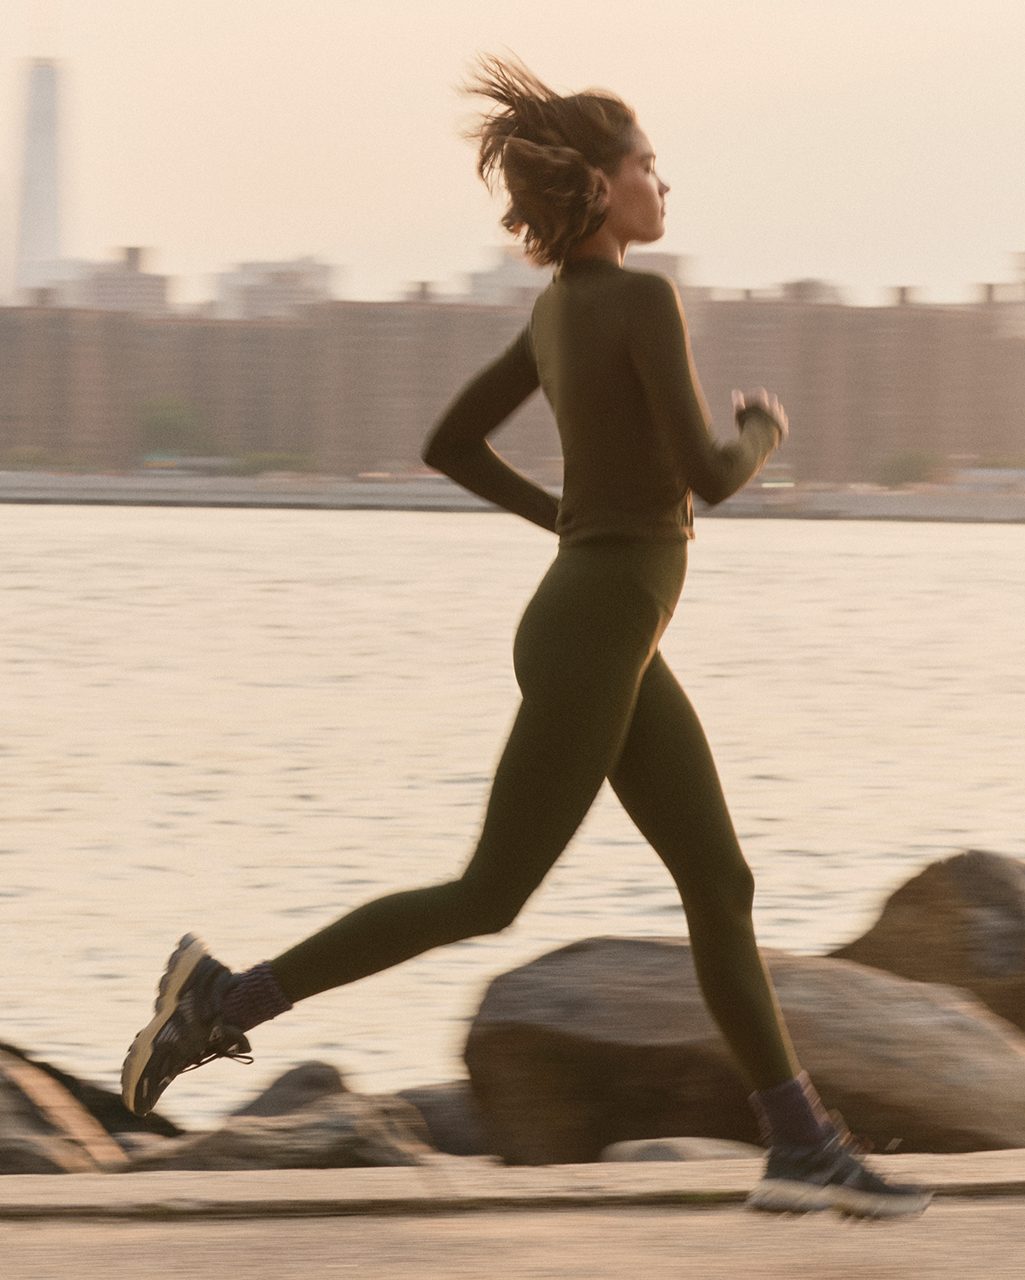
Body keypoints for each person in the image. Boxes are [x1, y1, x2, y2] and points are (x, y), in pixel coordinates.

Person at [121, 56, 927, 1219]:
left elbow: (448, 443)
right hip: (595, 625)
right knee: (488, 893)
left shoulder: (554, 312)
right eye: (646, 164)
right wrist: (760, 430)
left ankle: (799, 1144)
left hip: (597, 619)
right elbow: (708, 474)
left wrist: (574, 520)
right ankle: (222, 1002)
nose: (663, 182)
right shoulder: (641, 302)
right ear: (600, 189)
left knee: (720, 878)